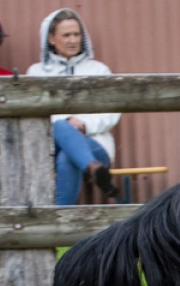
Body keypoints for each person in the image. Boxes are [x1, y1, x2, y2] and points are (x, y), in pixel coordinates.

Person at [27, 8, 120, 203]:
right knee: (62, 126)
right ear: (51, 38)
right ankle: (93, 169)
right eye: (66, 35)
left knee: (68, 159)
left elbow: (111, 111)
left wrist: (85, 124)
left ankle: (60, 224)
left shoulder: (98, 70)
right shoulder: (36, 72)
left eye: (77, 34)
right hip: (49, 149)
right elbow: (32, 114)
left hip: (96, 145)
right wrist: (67, 122)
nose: (73, 40)